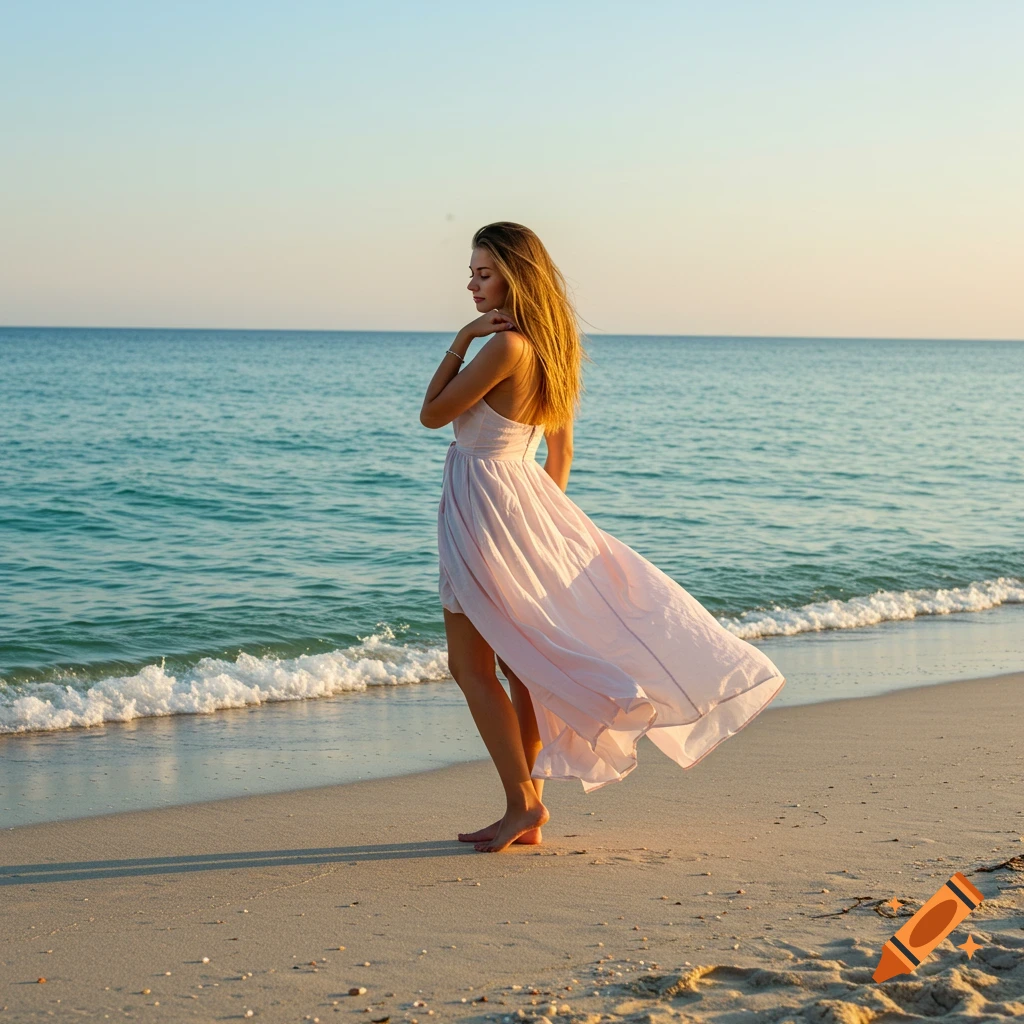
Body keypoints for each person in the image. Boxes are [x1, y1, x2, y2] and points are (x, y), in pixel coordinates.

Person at [421, 222, 786, 853]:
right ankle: (525, 805)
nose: (474, 287)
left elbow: (432, 415)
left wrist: (460, 340)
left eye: (484, 274)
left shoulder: (503, 349)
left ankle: (522, 806)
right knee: (519, 662)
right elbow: (559, 453)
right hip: (521, 502)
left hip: (482, 504)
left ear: (515, 275)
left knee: (472, 664)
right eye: (471, 275)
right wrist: (537, 521)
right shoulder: (553, 350)